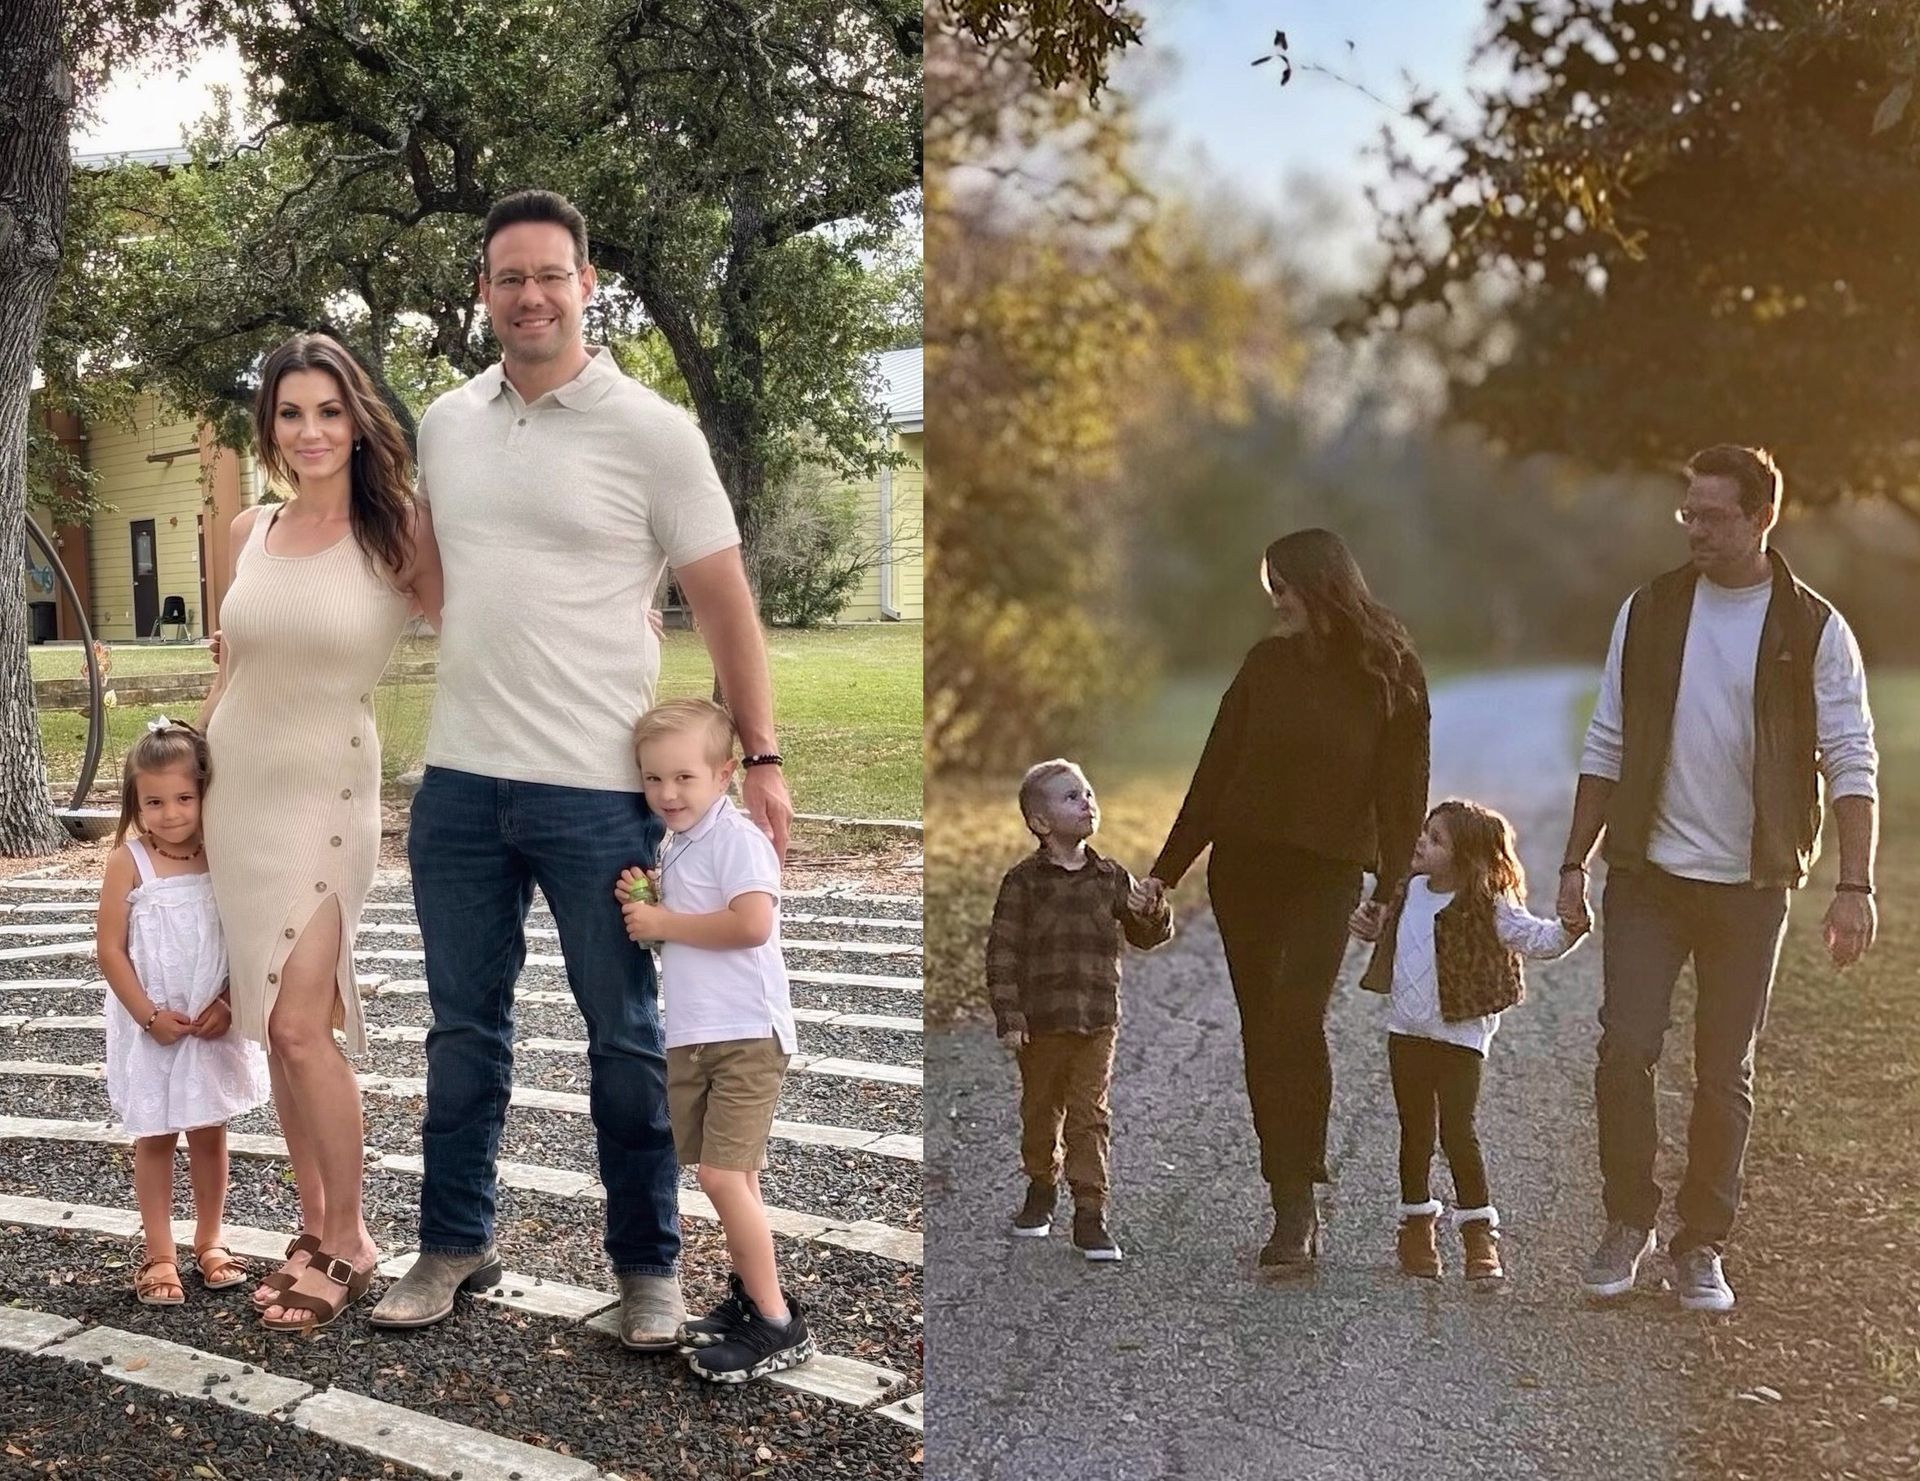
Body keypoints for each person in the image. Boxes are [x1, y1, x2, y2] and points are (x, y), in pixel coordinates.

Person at [370, 190, 794, 1348]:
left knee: (625, 1034)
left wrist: (760, 755)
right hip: (459, 781)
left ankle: (647, 1264)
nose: (530, 295)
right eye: (508, 277)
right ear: (483, 292)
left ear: (588, 282)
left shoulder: (652, 431)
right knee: (463, 1029)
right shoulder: (449, 422)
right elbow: (426, 579)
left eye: (550, 274)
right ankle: (454, 1242)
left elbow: (722, 600)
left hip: (600, 792)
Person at [1560, 444, 1878, 1313]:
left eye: (1713, 514)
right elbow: (1608, 741)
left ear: (1761, 518)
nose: (1695, 528)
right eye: (1687, 512)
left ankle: (1702, 1245)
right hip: (1649, 876)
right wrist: (1571, 862)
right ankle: (1629, 1222)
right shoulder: (1652, 609)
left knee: (1722, 1067)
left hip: (1750, 886)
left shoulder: (1813, 628)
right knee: (1625, 1047)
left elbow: (1852, 760)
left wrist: (1856, 886)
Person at [200, 332, 443, 1333]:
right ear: (271, 427)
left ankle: (351, 1235)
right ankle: (310, 1223)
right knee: (272, 1024)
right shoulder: (248, 527)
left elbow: (488, 624)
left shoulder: (400, 534)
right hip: (236, 799)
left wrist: (617, 624)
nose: (310, 431)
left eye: (329, 411)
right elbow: (228, 670)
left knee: (304, 1025)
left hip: (325, 799)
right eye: (291, 413)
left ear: (359, 419)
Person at [1146, 528, 1430, 1271]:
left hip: (1327, 873)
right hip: (1244, 870)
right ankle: (1288, 1203)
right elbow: (1214, 774)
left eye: (1286, 584)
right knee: (1261, 1029)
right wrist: (1164, 871)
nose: (1275, 598)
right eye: (1270, 584)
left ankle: (1301, 1197)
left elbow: (1404, 794)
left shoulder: (1391, 669)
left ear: (1323, 583)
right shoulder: (1264, 666)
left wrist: (1394, 888)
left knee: (1295, 1018)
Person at [614, 698, 812, 1382]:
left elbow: (751, 923)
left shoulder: (737, 839)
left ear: (726, 772)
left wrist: (664, 915)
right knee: (738, 1178)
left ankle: (778, 1322)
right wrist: (651, 902)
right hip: (697, 1033)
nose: (667, 793)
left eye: (684, 777)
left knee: (722, 1175)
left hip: (746, 1033)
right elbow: (688, 923)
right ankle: (750, 1299)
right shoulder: (678, 842)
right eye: (653, 779)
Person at [1351, 800, 1586, 1284]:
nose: (1421, 841)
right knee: (1414, 1131)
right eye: (1424, 831)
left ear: (1466, 859)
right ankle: (1416, 1226)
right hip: (1407, 1033)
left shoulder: (1488, 902)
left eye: (1436, 839)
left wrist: (1569, 929)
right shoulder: (1408, 891)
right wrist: (1369, 930)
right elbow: (1389, 936)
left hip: (1461, 1037)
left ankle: (1479, 1234)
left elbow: (1533, 938)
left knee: (1458, 1131)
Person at [96, 719, 270, 1306]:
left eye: (183, 798)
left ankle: (210, 1239)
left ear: (203, 794)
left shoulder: (221, 854)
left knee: (209, 1130)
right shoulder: (130, 862)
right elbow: (110, 950)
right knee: (156, 1135)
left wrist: (228, 1001)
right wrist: (147, 1016)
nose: (170, 813)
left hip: (208, 1017)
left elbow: (247, 935)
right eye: (154, 801)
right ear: (136, 804)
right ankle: (159, 1252)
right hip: (153, 1025)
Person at [988, 758, 1173, 1262]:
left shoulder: (1111, 877)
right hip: (1041, 1023)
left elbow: (1143, 936)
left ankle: (1091, 1212)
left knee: (1090, 1116)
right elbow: (1003, 952)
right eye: (1071, 796)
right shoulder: (1024, 883)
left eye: (1089, 792)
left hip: (1096, 1019)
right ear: (1041, 823)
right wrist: (1010, 1015)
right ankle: (1041, 1184)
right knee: (1040, 1111)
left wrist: (1151, 913)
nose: (1086, 801)